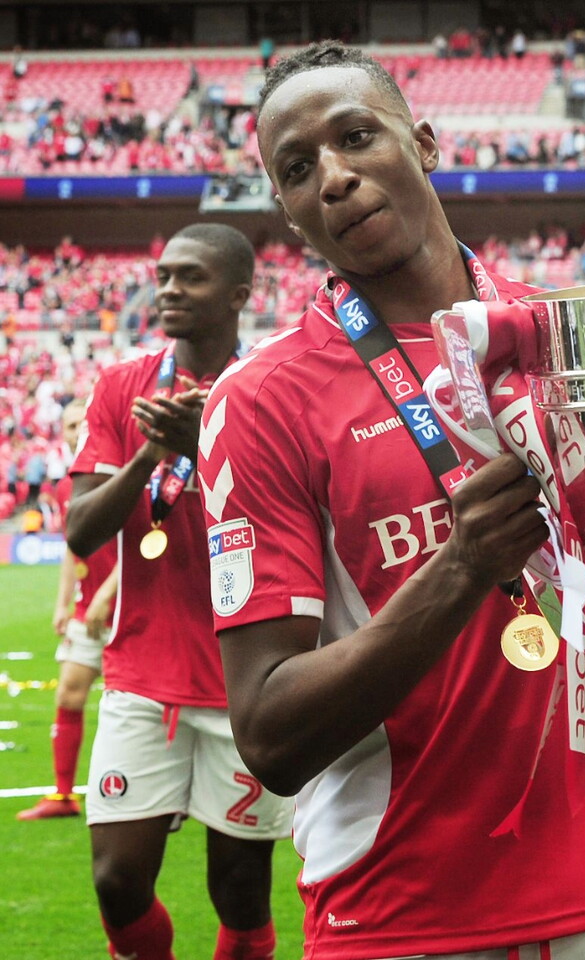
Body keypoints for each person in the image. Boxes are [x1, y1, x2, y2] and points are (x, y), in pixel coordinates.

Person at [197, 41, 585, 960]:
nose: (333, 177)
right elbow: (269, 734)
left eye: (356, 136)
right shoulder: (259, 400)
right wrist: (463, 565)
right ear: (286, 212)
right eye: (297, 168)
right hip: (401, 920)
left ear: (425, 143)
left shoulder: (572, 342)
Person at [66, 224, 293, 960]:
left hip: (247, 680)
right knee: (115, 879)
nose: (168, 290)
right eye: (163, 275)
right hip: (143, 674)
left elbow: (302, 517)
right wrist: (151, 457)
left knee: (240, 889)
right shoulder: (122, 387)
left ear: (237, 294)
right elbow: (79, 532)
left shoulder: (272, 387)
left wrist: (211, 446)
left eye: (189, 278)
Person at [18, 398, 118, 821]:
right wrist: (65, 600)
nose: (78, 430)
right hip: (87, 612)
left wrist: (106, 594)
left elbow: (148, 545)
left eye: (84, 422)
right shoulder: (67, 486)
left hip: (131, 609)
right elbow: (72, 545)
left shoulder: (122, 477)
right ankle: (62, 796)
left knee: (143, 707)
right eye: (71, 424)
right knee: (69, 693)